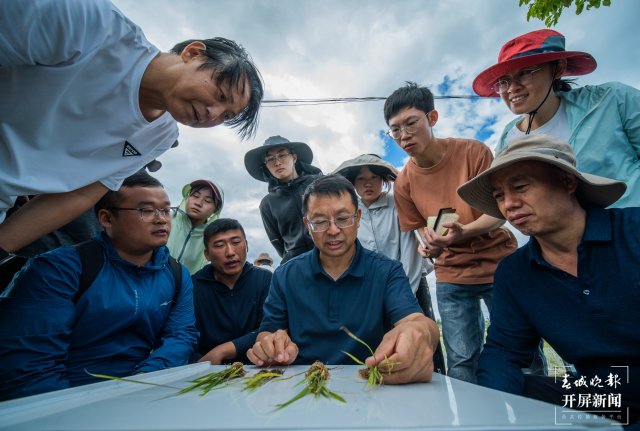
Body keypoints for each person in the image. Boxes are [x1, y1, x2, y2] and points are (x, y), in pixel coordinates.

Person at [0, 0, 264, 257]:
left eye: (226, 115)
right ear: (193, 53)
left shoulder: (162, 135)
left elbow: (81, 194)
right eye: (220, 94)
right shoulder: (90, 25)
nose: (213, 114)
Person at [457, 134, 638, 428]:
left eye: (520, 187)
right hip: (602, 395)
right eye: (500, 195)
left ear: (568, 182)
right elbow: (504, 352)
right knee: (518, 394)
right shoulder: (515, 272)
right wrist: (491, 415)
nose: (509, 205)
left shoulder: (633, 232)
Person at [0, 171, 198, 400]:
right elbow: (30, 370)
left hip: (143, 392)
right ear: (106, 218)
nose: (161, 219)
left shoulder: (177, 275)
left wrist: (141, 382)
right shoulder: (58, 269)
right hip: (65, 399)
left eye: (165, 210)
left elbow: (181, 336)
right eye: (145, 210)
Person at [247, 174, 440, 385]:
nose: (333, 230)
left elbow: (415, 321)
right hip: (301, 385)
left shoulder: (387, 271)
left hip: (371, 384)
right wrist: (270, 345)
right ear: (307, 225)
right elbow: (268, 331)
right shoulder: (285, 275)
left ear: (358, 218)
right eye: (320, 221)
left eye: (342, 218)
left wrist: (420, 332)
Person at [384, 82, 517, 383]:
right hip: (452, 277)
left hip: (501, 267)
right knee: (461, 360)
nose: (403, 135)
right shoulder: (404, 183)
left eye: (411, 123)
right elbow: (422, 231)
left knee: (521, 352)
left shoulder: (474, 152)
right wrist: (429, 245)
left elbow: (499, 212)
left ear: (432, 118)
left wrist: (463, 232)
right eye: (395, 130)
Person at [472, 29, 640, 208]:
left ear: (557, 68)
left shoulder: (611, 99)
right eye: (503, 81)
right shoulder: (508, 137)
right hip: (561, 235)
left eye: (525, 73)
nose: (512, 88)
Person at [192, 218, 271, 365]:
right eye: (219, 245)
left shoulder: (265, 280)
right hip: (208, 372)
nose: (230, 252)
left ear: (246, 245)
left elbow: (269, 326)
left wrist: (223, 350)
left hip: (256, 368)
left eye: (236, 242)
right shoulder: (193, 287)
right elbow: (186, 335)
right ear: (207, 254)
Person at [244, 135, 322, 263]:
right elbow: (278, 244)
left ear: (294, 157)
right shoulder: (267, 204)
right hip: (297, 266)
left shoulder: (319, 184)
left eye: (282, 155)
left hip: (331, 258)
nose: (277, 162)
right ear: (266, 166)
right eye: (270, 159)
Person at [167, 179, 224, 274]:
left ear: (215, 210)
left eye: (207, 201)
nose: (198, 203)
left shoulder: (212, 238)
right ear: (187, 197)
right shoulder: (166, 219)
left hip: (185, 287)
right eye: (195, 196)